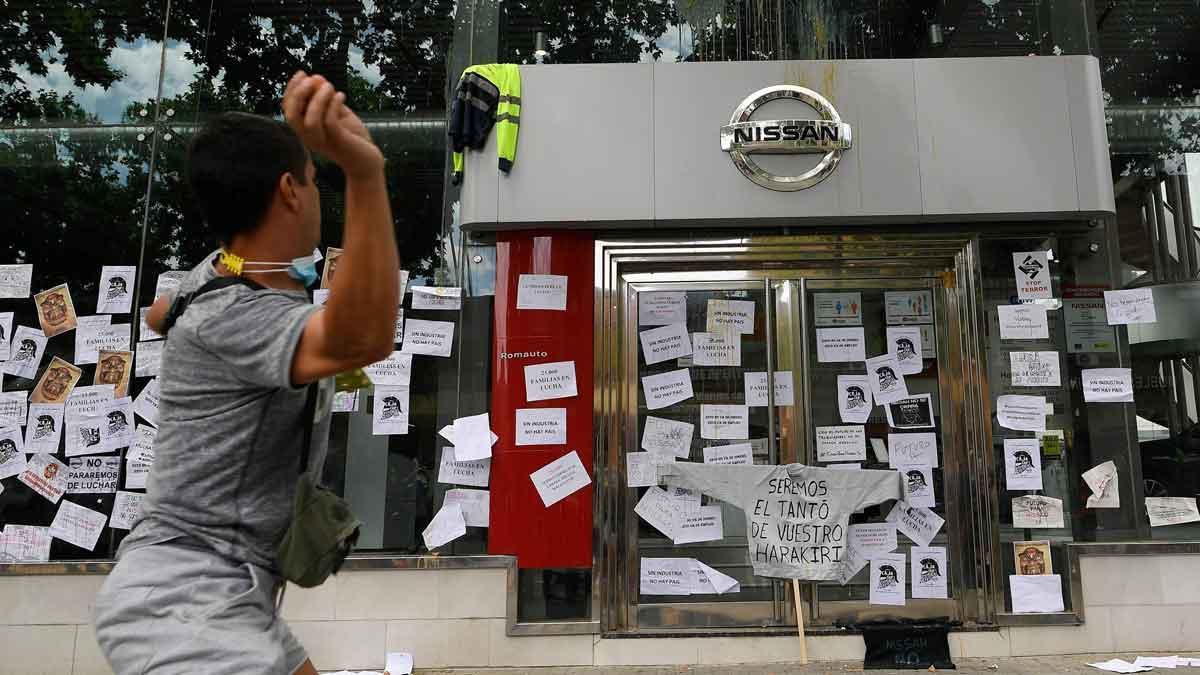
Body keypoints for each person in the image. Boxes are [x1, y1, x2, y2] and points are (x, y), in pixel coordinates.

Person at [92, 72, 399, 675]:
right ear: (290, 189)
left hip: (225, 591)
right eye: (316, 181)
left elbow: (163, 312)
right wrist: (365, 172)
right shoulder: (233, 312)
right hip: (185, 601)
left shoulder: (217, 275)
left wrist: (174, 332)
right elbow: (364, 337)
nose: (318, 195)